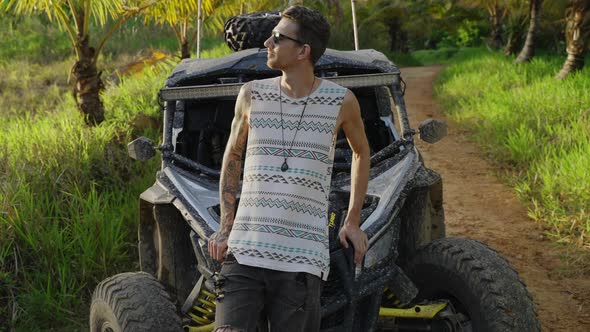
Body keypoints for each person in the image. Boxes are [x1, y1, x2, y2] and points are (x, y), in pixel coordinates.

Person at [208, 5, 370, 332]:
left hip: (301, 261)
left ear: (303, 51)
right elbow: (232, 157)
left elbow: (361, 153)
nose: (268, 43)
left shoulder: (342, 101)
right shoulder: (251, 94)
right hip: (245, 252)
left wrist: (352, 221)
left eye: (277, 38)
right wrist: (227, 226)